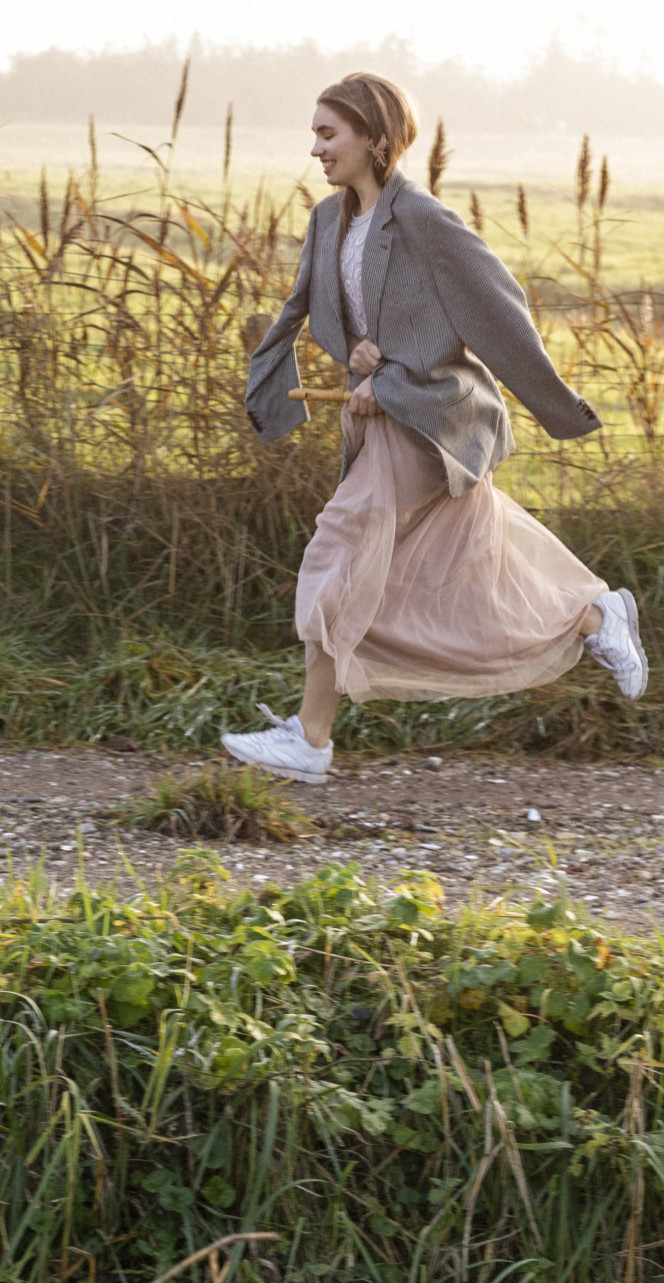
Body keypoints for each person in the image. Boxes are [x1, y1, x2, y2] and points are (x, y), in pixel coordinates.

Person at [225, 72, 645, 784]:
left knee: (339, 549)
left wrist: (552, 403)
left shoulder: (421, 218)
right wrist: (343, 365)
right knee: (467, 566)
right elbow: (312, 310)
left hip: (430, 417)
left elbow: (494, 306)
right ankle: (593, 616)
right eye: (315, 135)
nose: (316, 150)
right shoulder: (330, 222)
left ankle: (312, 739)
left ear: (377, 140)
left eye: (329, 134)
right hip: (382, 417)